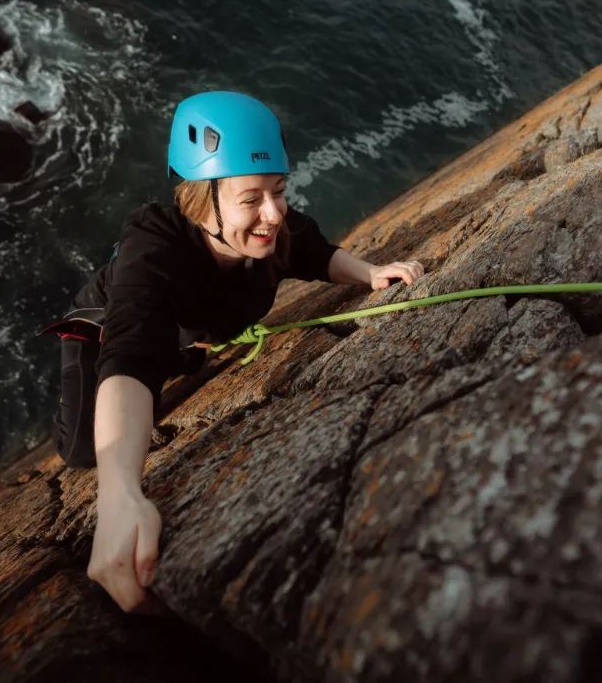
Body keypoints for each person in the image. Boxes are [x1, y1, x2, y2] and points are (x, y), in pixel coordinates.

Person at [43, 91, 424, 613]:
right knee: (83, 452)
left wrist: (370, 274)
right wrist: (119, 495)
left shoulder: (272, 230)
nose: (272, 214)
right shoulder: (154, 247)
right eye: (251, 199)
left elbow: (315, 250)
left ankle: (185, 353)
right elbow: (131, 349)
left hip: (183, 332)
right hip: (102, 333)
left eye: (280, 190)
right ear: (204, 202)